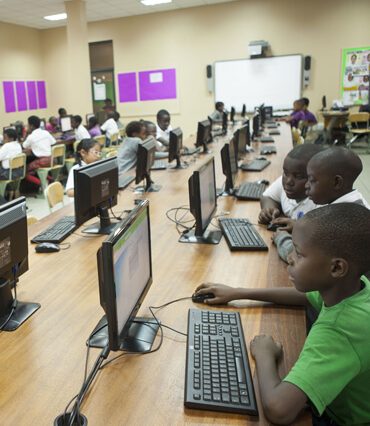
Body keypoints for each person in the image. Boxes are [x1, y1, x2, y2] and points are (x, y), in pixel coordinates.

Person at [194, 203, 370, 426]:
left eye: (299, 253)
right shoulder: (354, 287)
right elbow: (306, 296)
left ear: (336, 268)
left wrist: (265, 354)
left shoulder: (339, 330)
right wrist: (238, 292)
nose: (291, 258)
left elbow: (279, 410)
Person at [273, 146, 370, 263]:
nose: (307, 185)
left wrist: (281, 239)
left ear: (336, 182)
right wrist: (297, 225)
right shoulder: (351, 204)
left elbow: (303, 261)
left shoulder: (341, 219)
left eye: (312, 180)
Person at [259, 144, 324, 229]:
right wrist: (269, 210)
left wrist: (298, 227)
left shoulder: (321, 202)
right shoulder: (287, 181)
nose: (289, 181)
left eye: (299, 176)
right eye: (285, 173)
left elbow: (321, 232)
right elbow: (267, 197)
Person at [22, 115, 56, 186]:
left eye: (28, 125)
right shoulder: (45, 132)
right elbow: (53, 142)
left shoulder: (31, 136)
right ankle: (50, 179)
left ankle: (42, 184)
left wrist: (27, 133)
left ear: (31, 126)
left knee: (24, 171)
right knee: (35, 168)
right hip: (52, 159)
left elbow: (23, 146)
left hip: (42, 162)